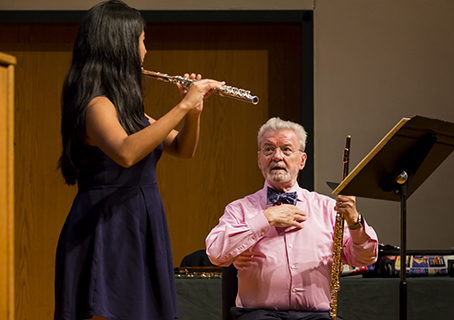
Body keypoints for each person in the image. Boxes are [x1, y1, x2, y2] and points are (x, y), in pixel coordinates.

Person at [54, 1, 225, 320]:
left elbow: (182, 149)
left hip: (141, 222)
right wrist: (183, 106)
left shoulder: (129, 111)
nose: (145, 50)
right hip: (108, 225)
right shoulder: (96, 106)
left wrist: (194, 113)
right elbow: (127, 152)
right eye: (142, 40)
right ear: (121, 46)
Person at [206, 117, 378, 320]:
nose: (277, 156)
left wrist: (354, 221)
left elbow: (365, 258)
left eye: (286, 149)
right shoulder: (240, 209)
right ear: (259, 159)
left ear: (302, 160)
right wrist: (264, 219)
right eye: (269, 149)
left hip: (317, 316)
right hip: (259, 315)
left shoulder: (327, 208)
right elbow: (216, 254)